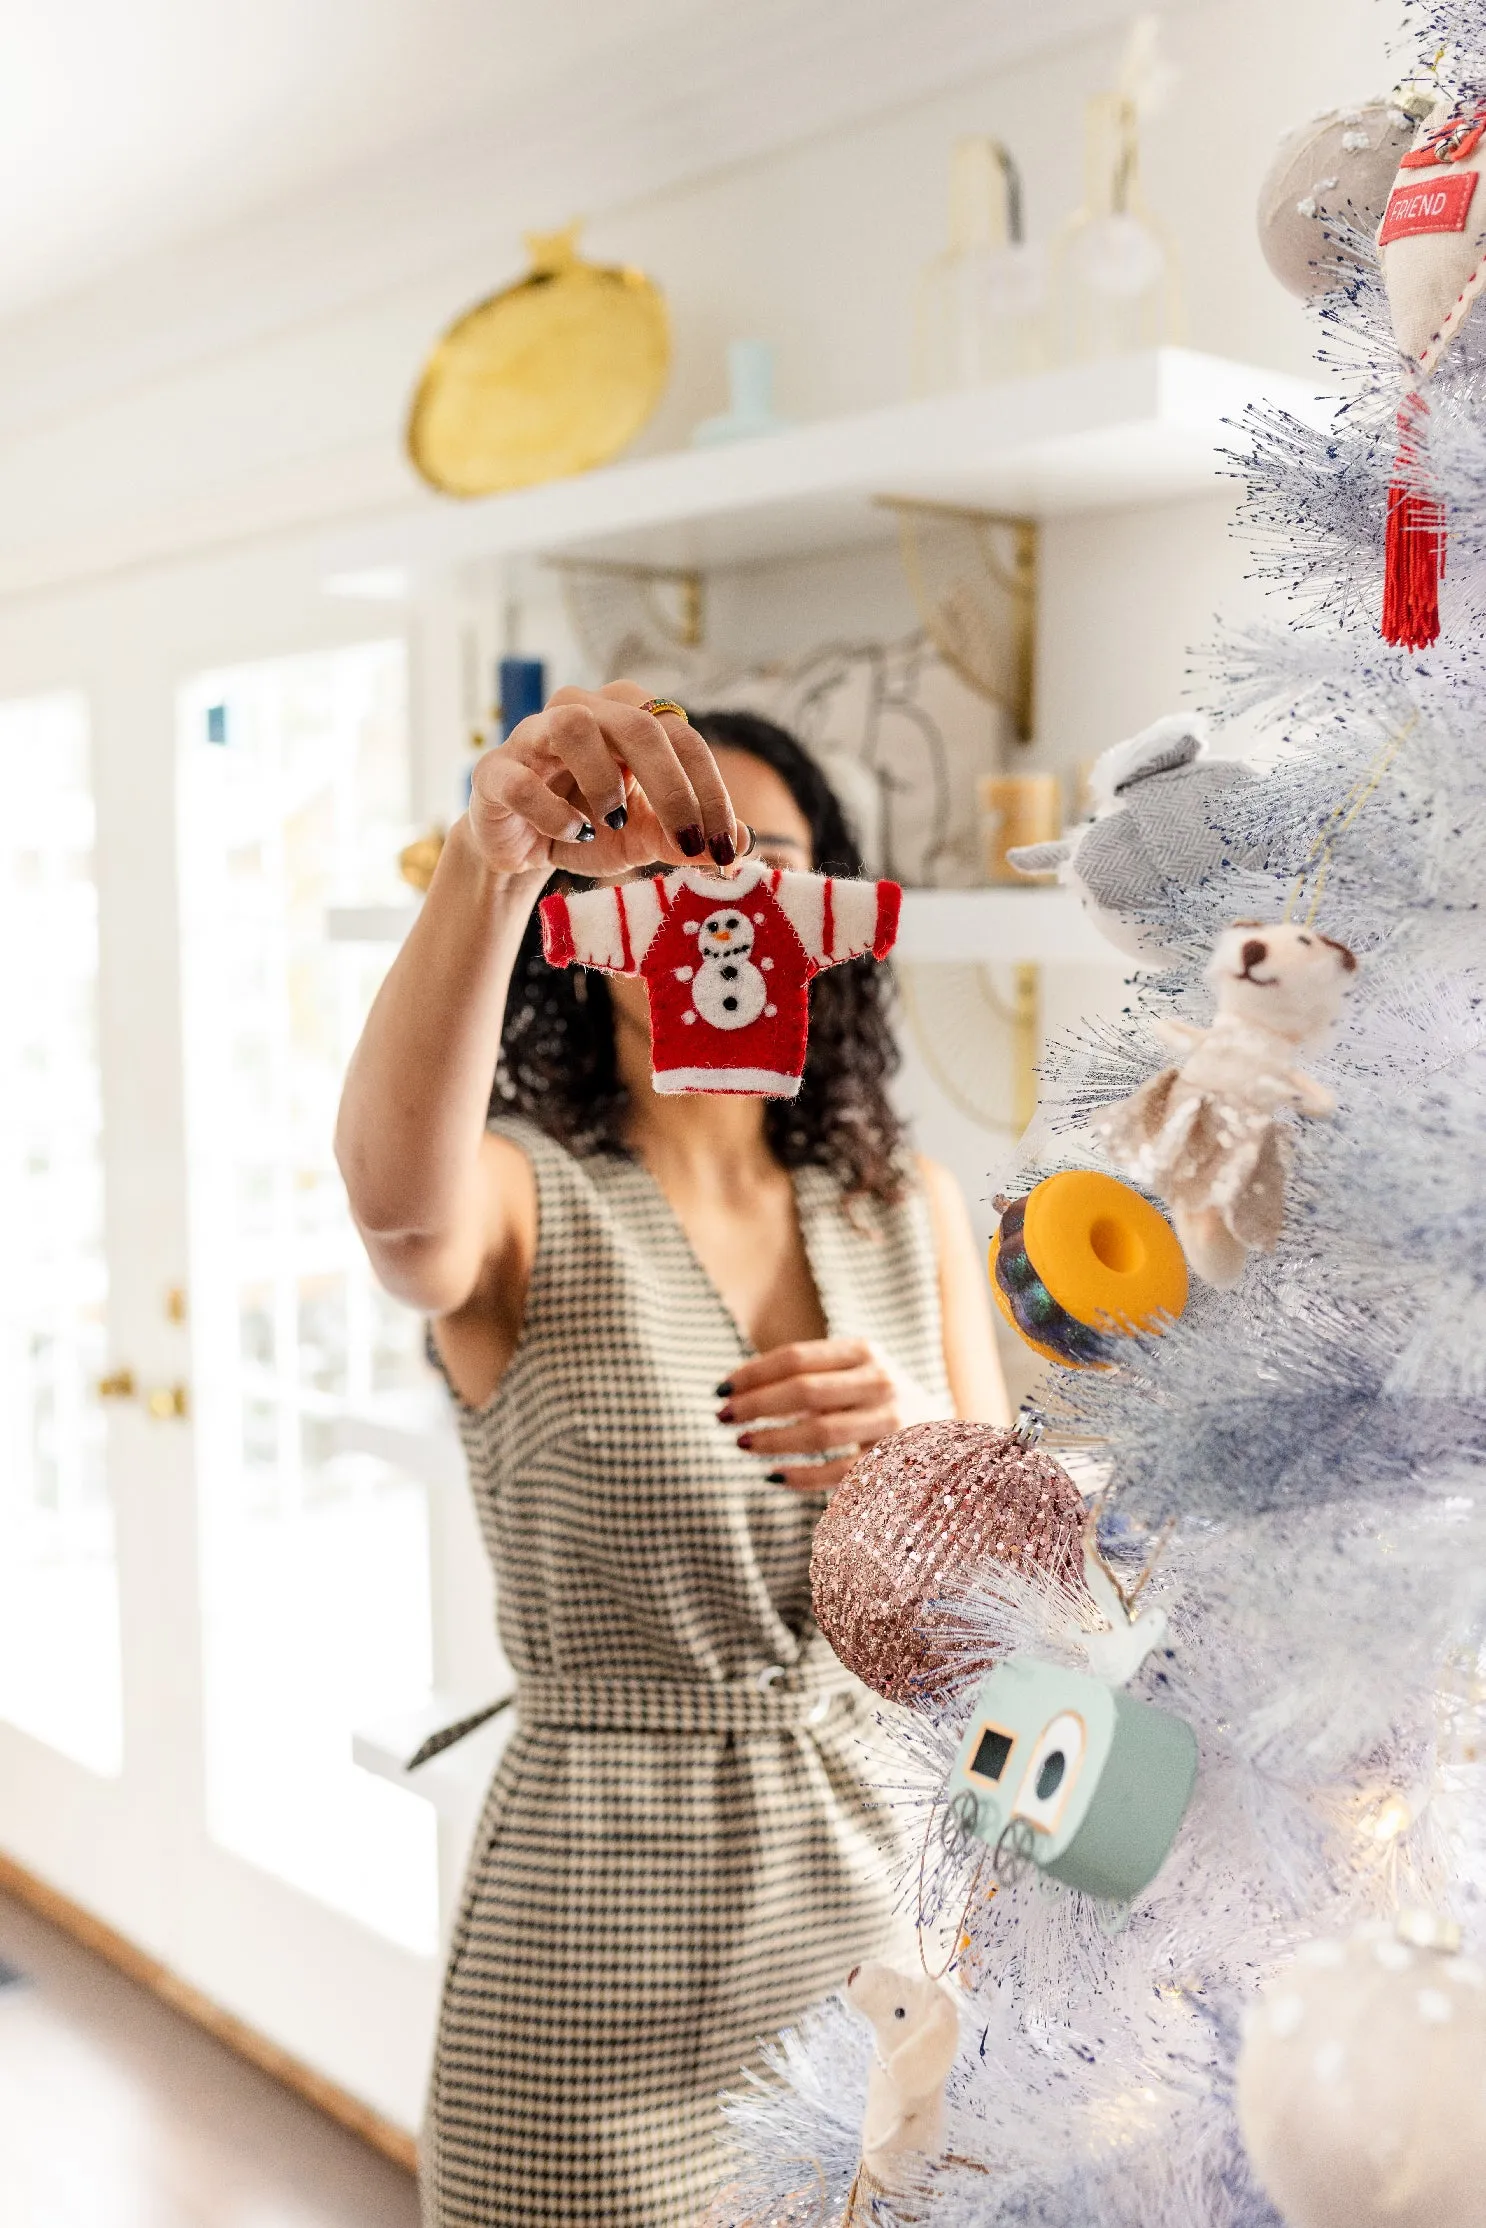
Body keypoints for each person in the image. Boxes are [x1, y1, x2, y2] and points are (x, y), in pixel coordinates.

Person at [336, 682, 1009, 2228]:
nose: (709, 891)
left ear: (824, 913)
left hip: (872, 1960)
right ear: (588, 921)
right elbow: (393, 1210)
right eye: (642, 857)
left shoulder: (909, 1211)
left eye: (751, 855)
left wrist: (917, 1457)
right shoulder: (515, 1195)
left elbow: (1014, 1606)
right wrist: (487, 858)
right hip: (585, 1971)